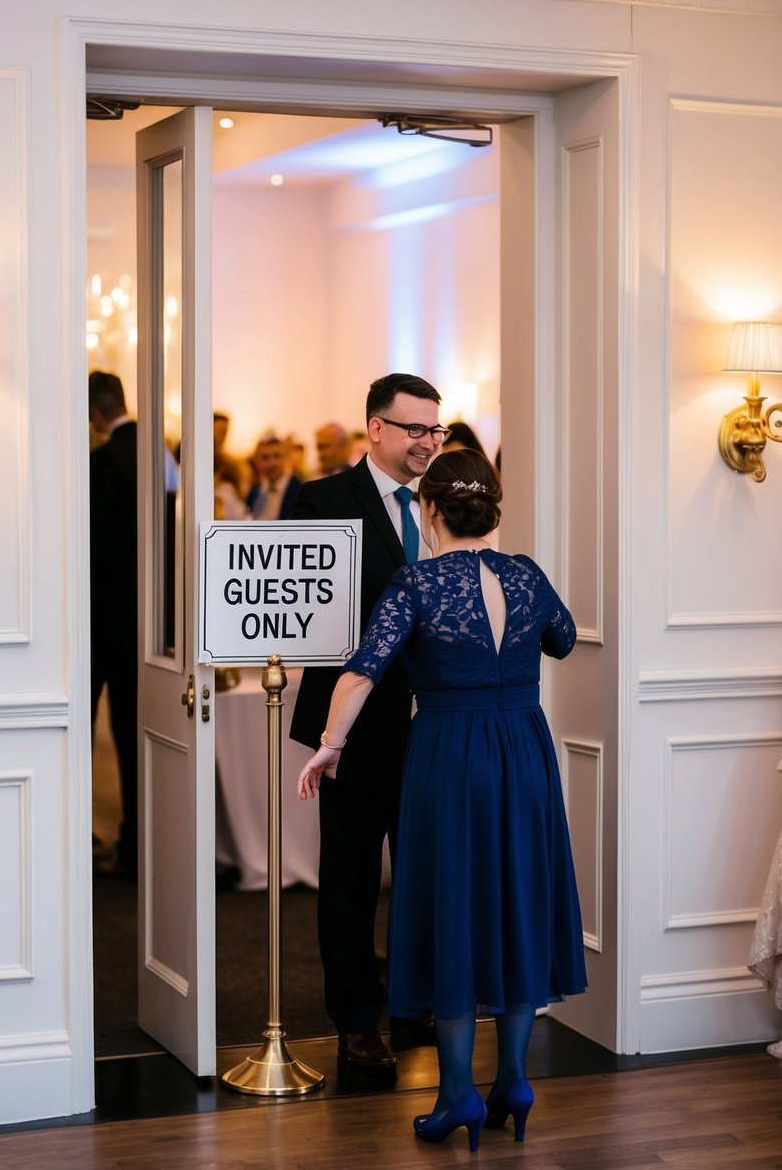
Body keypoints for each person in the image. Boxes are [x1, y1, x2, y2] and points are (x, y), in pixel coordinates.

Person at [297, 447, 587, 1149]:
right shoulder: (526, 576)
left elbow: (361, 671)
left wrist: (330, 742)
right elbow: (564, 639)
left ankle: (456, 1092)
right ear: (495, 510)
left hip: (448, 757)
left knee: (452, 907)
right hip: (522, 751)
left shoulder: (417, 584)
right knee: (518, 902)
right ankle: (512, 1082)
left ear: (429, 511)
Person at [289, 372, 448, 1070]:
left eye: (435, 430)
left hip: (438, 723)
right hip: (354, 725)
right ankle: (356, 1020)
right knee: (350, 880)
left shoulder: (445, 502)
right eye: (416, 429)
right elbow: (307, 608)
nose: (428, 443)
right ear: (376, 429)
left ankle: (412, 1006)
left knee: (423, 874)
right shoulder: (322, 500)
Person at [88, 371, 139, 878]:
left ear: (97, 413)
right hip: (146, 625)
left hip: (101, 624)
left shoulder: (103, 461)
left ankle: (78, 831)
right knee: (133, 734)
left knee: (83, 733)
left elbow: (92, 547)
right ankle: (137, 839)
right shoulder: (162, 456)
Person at [246, 434, 302, 520]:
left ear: (285, 458)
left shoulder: (299, 490)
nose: (272, 463)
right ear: (257, 461)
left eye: (277, 456)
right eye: (265, 457)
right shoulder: (254, 489)